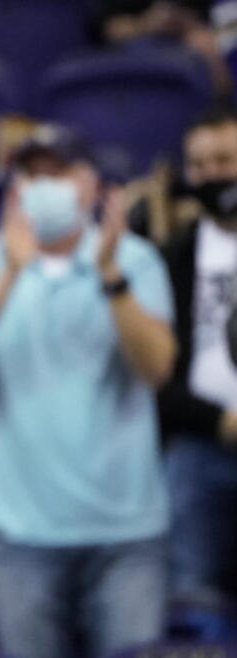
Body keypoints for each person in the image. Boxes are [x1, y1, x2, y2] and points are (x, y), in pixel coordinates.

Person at [0, 124, 177, 658]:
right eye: (33, 173)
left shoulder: (134, 260)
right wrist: (11, 271)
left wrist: (110, 275)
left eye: (60, 172)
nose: (46, 185)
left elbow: (157, 367)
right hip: (18, 535)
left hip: (125, 529)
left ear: (93, 185)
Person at [157, 105, 237, 629]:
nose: (213, 174)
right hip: (198, 447)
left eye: (226, 159)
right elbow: (156, 374)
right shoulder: (172, 258)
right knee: (197, 600)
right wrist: (220, 421)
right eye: (200, 165)